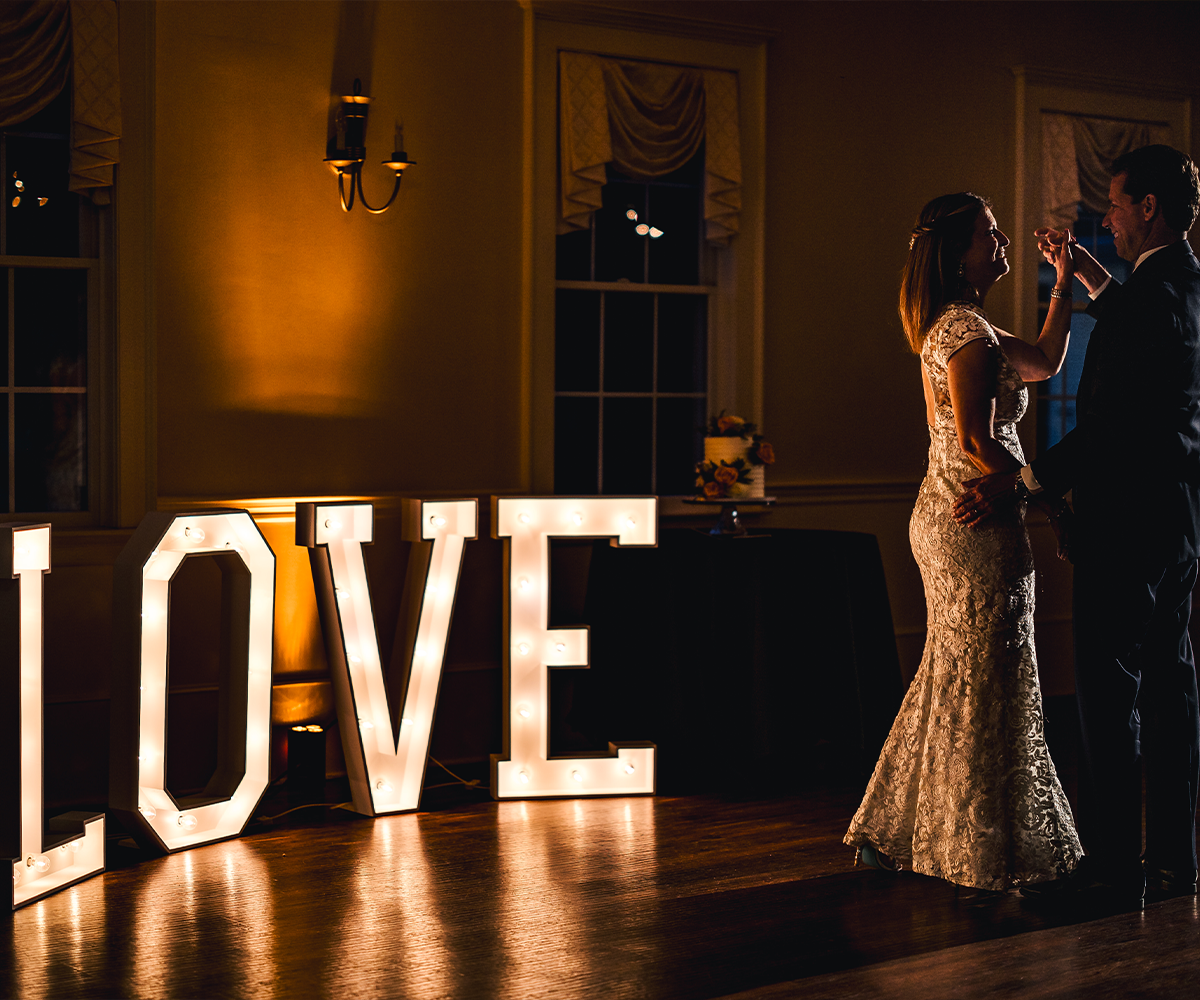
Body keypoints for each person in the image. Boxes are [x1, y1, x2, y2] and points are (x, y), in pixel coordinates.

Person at [956, 145, 1200, 908]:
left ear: (1149, 207)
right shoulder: (1186, 286)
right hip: (1181, 523)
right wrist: (1087, 277)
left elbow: (1105, 425)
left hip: (1123, 524)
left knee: (1108, 697)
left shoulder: (1152, 300)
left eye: (1117, 204)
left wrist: (1024, 483)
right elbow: (1141, 332)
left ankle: (1115, 866)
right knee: (1174, 690)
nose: (1108, 218)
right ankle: (1175, 860)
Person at [844, 192, 1083, 891]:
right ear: (957, 253)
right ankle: (977, 843)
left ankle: (900, 831)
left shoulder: (967, 325)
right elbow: (978, 440)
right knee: (987, 675)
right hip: (974, 517)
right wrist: (1050, 501)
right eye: (989, 234)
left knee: (958, 674)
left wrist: (1063, 283)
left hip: (961, 513)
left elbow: (1042, 360)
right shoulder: (963, 333)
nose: (1003, 240)